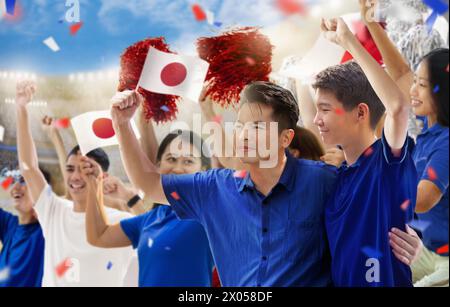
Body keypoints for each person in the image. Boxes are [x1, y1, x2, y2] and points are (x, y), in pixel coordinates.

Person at [107, 81, 420, 286]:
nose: (244, 135)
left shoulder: (323, 181)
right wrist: (122, 125)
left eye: (257, 127)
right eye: (241, 126)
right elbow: (148, 184)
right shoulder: (213, 188)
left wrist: (406, 242)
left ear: (286, 138)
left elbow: (371, 211)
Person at [317, 17, 419, 286]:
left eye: (325, 109)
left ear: (361, 112)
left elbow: (397, 107)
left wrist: (348, 41)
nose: (316, 120)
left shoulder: (385, 163)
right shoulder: (338, 178)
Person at [359, 0, 449, 287]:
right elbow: (399, 74)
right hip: (430, 251)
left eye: (421, 84)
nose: (412, 89)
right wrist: (371, 24)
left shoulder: (446, 142)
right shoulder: (428, 127)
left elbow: (423, 198)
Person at [15, 80, 135, 287]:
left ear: (103, 176)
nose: (76, 176)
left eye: (86, 168)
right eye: (70, 169)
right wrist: (21, 108)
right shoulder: (54, 210)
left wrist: (129, 197)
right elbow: (28, 167)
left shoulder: (122, 221)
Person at [82, 127, 215, 287]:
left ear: (204, 170)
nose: (178, 168)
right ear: (158, 166)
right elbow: (98, 236)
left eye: (188, 161)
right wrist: (93, 185)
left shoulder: (209, 213)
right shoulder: (151, 218)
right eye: (171, 159)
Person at [0, 170, 50, 287]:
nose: (16, 186)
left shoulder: (46, 231)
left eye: (23, 181)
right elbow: (5, 182)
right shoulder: (9, 225)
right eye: (15, 181)